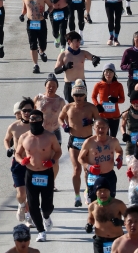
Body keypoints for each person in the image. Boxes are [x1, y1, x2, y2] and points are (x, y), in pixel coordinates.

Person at [15, 109, 62, 243]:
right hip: (31, 174)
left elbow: (58, 151)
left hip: (46, 173)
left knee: (46, 206)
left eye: (37, 119)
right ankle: (41, 231)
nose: (34, 121)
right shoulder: (24, 137)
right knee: (33, 205)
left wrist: (52, 161)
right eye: (32, 119)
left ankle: (46, 216)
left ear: (42, 121)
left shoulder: (50, 136)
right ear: (29, 120)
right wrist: (21, 161)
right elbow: (17, 154)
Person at [59, 78, 100, 206]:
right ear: (72, 95)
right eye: (76, 95)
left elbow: (100, 124)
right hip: (74, 141)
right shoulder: (68, 107)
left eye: (81, 95)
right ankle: (77, 196)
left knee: (87, 170)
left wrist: (91, 122)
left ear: (85, 95)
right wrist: (64, 126)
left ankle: (87, 190)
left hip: (88, 141)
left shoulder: (91, 108)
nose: (78, 97)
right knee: (76, 169)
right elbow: (60, 119)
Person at [78, 116, 123, 203]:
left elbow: (119, 151)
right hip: (94, 176)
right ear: (94, 128)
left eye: (103, 127)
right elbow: (80, 158)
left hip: (109, 175)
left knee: (110, 201)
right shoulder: (89, 142)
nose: (101, 130)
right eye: (98, 127)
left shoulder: (113, 141)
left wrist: (119, 158)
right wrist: (89, 167)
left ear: (108, 128)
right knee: (94, 202)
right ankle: (87, 193)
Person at [5, 97, 33, 223]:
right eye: (24, 110)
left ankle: (29, 217)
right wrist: (8, 149)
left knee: (31, 192)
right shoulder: (14, 126)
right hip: (18, 162)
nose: (27, 113)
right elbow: (6, 139)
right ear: (20, 112)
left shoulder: (37, 127)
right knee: (21, 193)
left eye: (29, 110)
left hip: (33, 163)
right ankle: (21, 205)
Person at [53, 31, 100, 102]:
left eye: (79, 41)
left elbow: (92, 57)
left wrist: (95, 59)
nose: (78, 44)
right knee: (70, 107)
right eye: (76, 41)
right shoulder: (63, 55)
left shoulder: (83, 53)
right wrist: (64, 67)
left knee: (83, 106)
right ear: (69, 41)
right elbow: (56, 70)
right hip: (69, 84)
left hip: (81, 84)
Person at [19, 0, 52, 74]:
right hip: (31, 23)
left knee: (43, 44)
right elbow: (24, 9)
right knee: (32, 45)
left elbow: (51, 6)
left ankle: (41, 51)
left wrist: (47, 12)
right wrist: (22, 15)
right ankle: (35, 65)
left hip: (41, 22)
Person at [92, 63, 126, 136]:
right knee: (104, 137)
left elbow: (122, 99)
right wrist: (97, 105)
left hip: (115, 117)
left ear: (114, 73)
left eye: (111, 72)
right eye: (106, 72)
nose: (108, 74)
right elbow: (93, 97)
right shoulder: (99, 85)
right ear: (103, 73)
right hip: (103, 116)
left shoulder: (118, 85)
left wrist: (116, 100)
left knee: (113, 138)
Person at [35, 75, 64, 146]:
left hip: (55, 130)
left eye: (54, 86)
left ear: (57, 88)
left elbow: (65, 115)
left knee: (56, 154)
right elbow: (32, 114)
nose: (51, 88)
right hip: (41, 130)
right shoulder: (38, 98)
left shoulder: (60, 101)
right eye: (49, 85)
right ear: (45, 86)